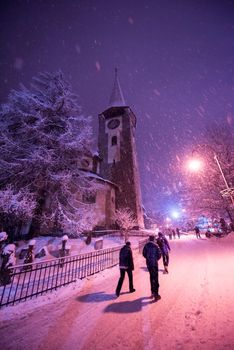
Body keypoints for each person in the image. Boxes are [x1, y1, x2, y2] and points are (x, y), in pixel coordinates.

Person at [143, 235, 162, 301]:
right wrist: (155, 259)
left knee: (151, 277)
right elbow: (159, 255)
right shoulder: (156, 245)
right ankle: (156, 293)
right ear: (153, 239)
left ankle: (152, 292)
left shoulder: (146, 245)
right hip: (154, 264)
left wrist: (148, 258)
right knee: (155, 278)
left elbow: (144, 254)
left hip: (149, 264)